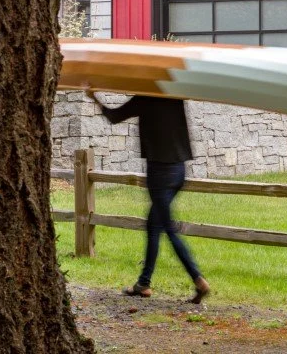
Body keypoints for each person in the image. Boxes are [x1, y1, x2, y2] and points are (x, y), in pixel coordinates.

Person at [86, 90, 210, 302]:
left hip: (159, 172)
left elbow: (114, 117)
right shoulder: (175, 95)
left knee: (168, 228)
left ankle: (198, 280)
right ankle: (143, 283)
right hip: (179, 170)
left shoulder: (144, 97)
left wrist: (94, 97)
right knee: (154, 225)